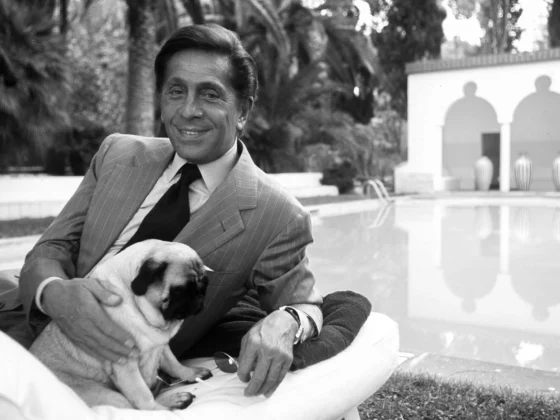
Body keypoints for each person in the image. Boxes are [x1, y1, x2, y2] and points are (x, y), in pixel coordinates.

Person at [2, 23, 323, 399]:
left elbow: (305, 302)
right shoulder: (116, 153)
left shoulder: (278, 216)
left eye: (210, 94)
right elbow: (51, 248)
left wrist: (288, 320)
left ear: (243, 110)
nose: (188, 111)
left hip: (110, 375)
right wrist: (54, 294)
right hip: (23, 321)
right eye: (176, 91)